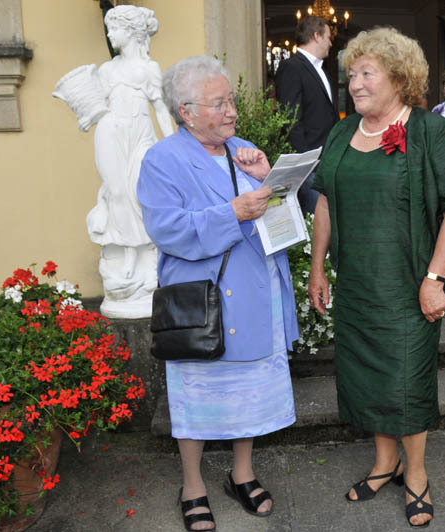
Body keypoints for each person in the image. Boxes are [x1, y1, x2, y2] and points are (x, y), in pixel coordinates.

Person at [307, 27, 445, 528]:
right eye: (352, 74)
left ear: (399, 79)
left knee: (407, 380)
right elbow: (324, 200)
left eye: (367, 73)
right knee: (365, 377)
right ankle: (385, 462)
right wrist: (318, 267)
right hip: (357, 285)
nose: (355, 83)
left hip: (408, 287)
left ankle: (416, 472)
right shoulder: (342, 133)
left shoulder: (430, 131)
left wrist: (435, 278)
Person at [137, 56, 299, 532]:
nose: (232, 111)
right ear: (186, 112)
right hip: (204, 301)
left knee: (251, 392)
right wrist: (232, 213)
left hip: (258, 290)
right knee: (199, 395)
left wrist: (270, 179)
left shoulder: (244, 150)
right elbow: (167, 229)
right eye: (219, 103)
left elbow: (280, 223)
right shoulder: (163, 160)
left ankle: (241, 473)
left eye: (231, 100)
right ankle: (192, 486)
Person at [91, 5, 174, 279]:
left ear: (130, 31)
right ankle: (128, 252)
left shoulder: (149, 68)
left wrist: (174, 145)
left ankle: (151, 249)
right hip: (111, 135)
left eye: (114, 29)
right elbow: (96, 106)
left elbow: (160, 109)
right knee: (117, 194)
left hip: (140, 136)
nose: (110, 34)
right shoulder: (106, 70)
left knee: (140, 193)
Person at [275, 15, 340, 214]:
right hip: (309, 166)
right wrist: (307, 162)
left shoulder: (321, 70)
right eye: (328, 37)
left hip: (326, 161)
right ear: (316, 36)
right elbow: (290, 120)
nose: (330, 43)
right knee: (314, 220)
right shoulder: (291, 67)